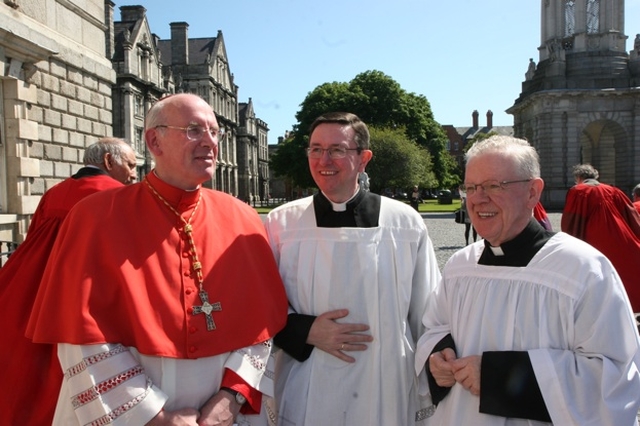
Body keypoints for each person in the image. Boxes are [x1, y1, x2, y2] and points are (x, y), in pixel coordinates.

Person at [26, 93, 288, 425]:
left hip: (227, 413)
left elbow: (261, 325)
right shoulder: (94, 217)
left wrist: (233, 396)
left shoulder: (244, 217)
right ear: (154, 141)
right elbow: (80, 337)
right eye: (194, 130)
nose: (209, 141)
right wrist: (153, 416)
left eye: (214, 131)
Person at [415, 135, 640, 425]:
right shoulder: (460, 265)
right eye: (470, 187)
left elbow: (614, 374)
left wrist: (498, 377)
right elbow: (435, 326)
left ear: (533, 192)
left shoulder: (581, 269)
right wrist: (437, 357)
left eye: (494, 186)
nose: (478, 198)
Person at [264, 112, 441, 425]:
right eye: (315, 149)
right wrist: (304, 330)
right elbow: (261, 304)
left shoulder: (403, 222)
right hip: (308, 383)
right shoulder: (282, 223)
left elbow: (428, 310)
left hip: (385, 386)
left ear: (363, 159)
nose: (323, 160)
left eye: (337, 150)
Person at [0, 137, 137, 426]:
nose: (134, 173)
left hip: (37, 288)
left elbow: (35, 237)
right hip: (86, 298)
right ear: (110, 162)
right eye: (130, 164)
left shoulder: (54, 192)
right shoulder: (121, 196)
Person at [561, 164, 640, 311]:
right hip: (621, 239)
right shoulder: (614, 191)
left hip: (594, 241)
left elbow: (571, 221)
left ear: (578, 178)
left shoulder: (578, 191)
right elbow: (632, 217)